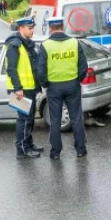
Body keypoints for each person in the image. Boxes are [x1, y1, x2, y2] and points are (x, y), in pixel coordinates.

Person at [40, 15, 88, 159]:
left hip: (54, 87)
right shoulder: (74, 42)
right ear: (63, 27)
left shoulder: (45, 45)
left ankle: (55, 152)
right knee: (76, 118)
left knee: (55, 120)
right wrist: (77, 80)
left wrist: (45, 84)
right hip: (72, 85)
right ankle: (80, 150)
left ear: (50, 28)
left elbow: (41, 70)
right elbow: (83, 66)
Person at [5, 17, 45, 158]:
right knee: (23, 120)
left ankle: (28, 144)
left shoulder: (27, 44)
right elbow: (11, 69)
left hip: (30, 88)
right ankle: (22, 150)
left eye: (33, 27)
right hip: (20, 89)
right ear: (21, 28)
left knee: (30, 118)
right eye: (30, 28)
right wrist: (17, 88)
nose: (32, 30)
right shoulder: (14, 45)